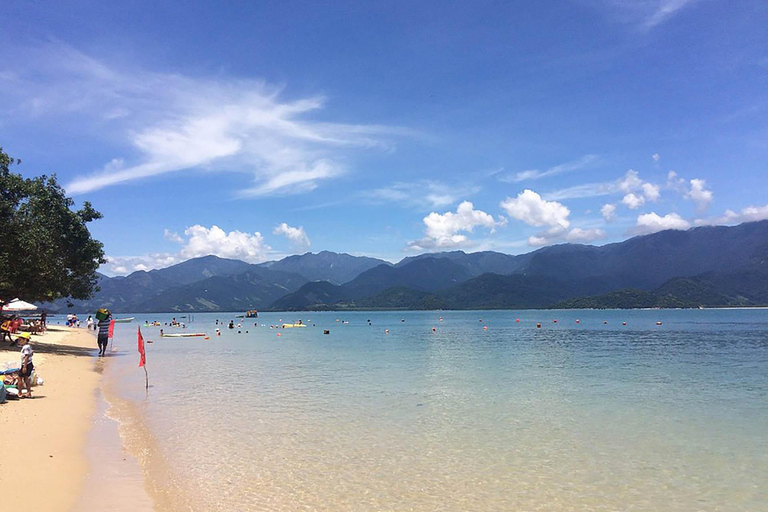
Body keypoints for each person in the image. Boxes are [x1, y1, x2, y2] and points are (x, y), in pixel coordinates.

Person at [18, 332, 34, 398]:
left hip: (26, 364)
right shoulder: (28, 346)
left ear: (25, 340)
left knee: (19, 378)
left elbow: (26, 356)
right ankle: (28, 392)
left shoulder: (26, 347)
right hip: (29, 364)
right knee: (26, 378)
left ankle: (20, 393)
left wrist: (24, 367)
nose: (19, 341)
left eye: (20, 340)